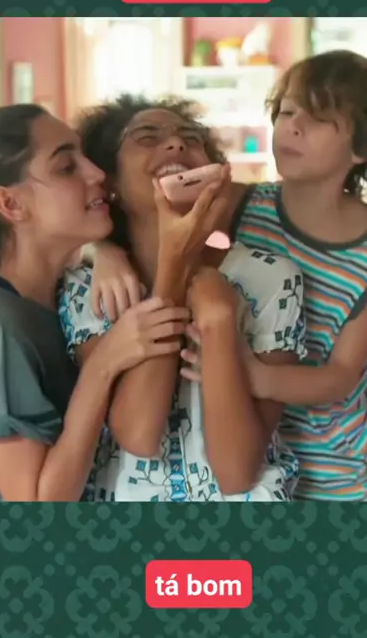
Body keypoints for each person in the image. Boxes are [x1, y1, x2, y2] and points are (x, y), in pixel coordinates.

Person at [91, 52, 367, 501]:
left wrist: (254, 376)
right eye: (287, 112)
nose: (293, 127)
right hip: (243, 439)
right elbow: (147, 222)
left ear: (361, 148)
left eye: (317, 119)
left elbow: (342, 375)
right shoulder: (241, 202)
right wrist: (102, 251)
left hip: (329, 465)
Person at [58, 95, 307, 502]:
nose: (176, 144)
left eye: (191, 139)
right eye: (147, 137)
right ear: (111, 184)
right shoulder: (89, 288)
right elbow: (139, 435)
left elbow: (237, 474)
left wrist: (219, 319)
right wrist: (172, 271)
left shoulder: (271, 278)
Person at [0, 104, 197, 502]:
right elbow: (37, 509)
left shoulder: (58, 295)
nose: (96, 173)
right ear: (11, 204)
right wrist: (103, 365)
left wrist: (103, 249)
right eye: (66, 168)